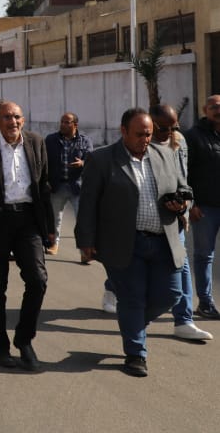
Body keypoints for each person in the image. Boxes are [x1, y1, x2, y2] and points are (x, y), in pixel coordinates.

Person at [76, 108, 193, 377]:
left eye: (149, 134)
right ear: (123, 131)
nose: (145, 139)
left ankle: (133, 325)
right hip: (125, 243)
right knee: (132, 298)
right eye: (139, 134)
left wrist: (182, 205)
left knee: (171, 295)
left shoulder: (165, 154)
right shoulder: (102, 159)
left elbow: (185, 190)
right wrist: (86, 240)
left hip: (164, 241)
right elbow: (88, 203)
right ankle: (136, 354)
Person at [0, 100, 54, 372]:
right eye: (6, 117)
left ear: (23, 120)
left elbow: (44, 186)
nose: (12, 122)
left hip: (28, 221)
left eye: (16, 117)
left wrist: (50, 227)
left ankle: (24, 340)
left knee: (38, 280)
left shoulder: (36, 142)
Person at [150, 104, 211, 342]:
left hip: (174, 217)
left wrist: (185, 203)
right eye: (164, 128)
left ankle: (184, 321)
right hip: (143, 220)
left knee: (181, 265)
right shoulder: (140, 142)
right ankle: (114, 290)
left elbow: (184, 178)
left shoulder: (179, 141)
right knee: (135, 266)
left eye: (174, 127)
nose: (170, 132)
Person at [185, 94, 220, 320]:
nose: (218, 110)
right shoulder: (193, 136)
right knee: (204, 256)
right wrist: (192, 203)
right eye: (213, 107)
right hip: (205, 208)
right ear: (205, 110)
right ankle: (205, 303)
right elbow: (184, 172)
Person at [44, 112, 92, 259]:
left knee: (82, 220)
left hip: (77, 186)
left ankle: (84, 251)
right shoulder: (51, 140)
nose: (63, 125)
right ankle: (54, 243)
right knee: (55, 218)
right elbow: (44, 161)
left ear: (75, 125)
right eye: (62, 122)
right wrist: (46, 181)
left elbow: (92, 161)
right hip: (57, 186)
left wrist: (82, 163)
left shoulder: (84, 141)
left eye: (67, 122)